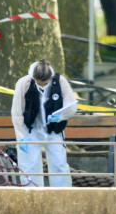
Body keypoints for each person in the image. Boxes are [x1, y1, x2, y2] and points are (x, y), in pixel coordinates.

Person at [11, 59, 77, 187]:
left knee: (59, 163)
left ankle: (62, 194)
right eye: (39, 83)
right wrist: (21, 137)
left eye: (45, 83)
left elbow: (71, 106)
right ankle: (32, 194)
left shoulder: (60, 81)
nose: (42, 86)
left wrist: (60, 116)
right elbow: (17, 112)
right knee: (29, 165)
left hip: (53, 129)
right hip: (31, 129)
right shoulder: (24, 83)